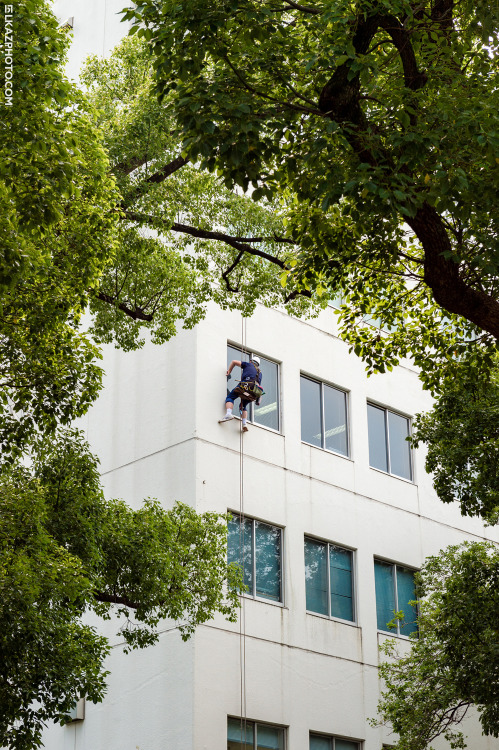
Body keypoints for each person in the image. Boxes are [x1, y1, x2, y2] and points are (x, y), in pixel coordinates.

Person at [220, 355, 262, 432]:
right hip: (253, 393)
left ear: (251, 361)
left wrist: (229, 371)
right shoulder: (260, 373)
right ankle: (244, 423)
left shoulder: (248, 364)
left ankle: (228, 414)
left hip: (245, 387)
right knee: (243, 405)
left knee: (230, 397)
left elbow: (234, 362)